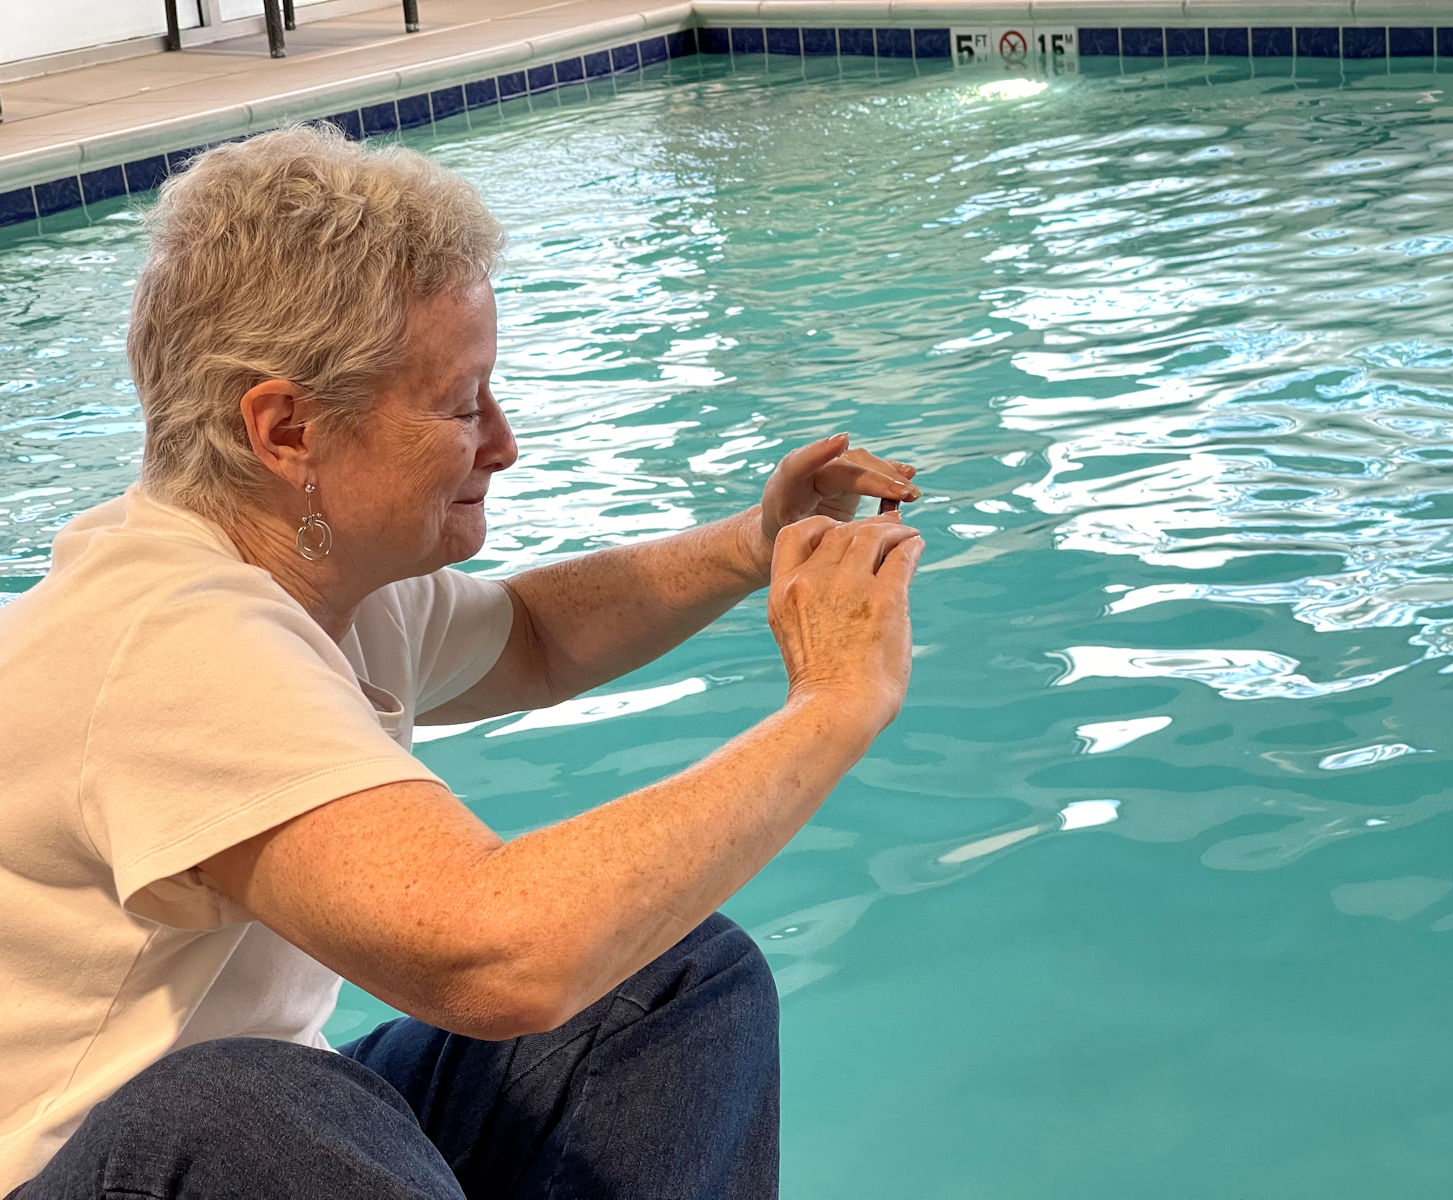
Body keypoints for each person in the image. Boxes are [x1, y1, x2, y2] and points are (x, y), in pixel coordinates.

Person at [0, 124, 924, 1200]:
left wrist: (751, 545)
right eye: (458, 403)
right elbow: (495, 962)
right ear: (287, 430)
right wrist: (833, 703)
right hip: (91, 1170)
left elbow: (534, 637)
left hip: (243, 1143)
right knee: (248, 1102)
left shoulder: (324, 582)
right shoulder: (170, 643)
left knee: (667, 981)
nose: (503, 442)